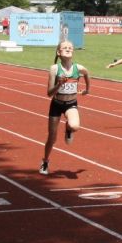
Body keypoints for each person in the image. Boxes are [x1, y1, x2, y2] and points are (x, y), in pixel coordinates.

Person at [41, 40, 90, 175]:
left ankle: (68, 129)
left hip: (71, 103)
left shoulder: (78, 68)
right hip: (56, 105)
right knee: (52, 138)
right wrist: (59, 84)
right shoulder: (54, 69)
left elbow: (86, 74)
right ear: (59, 52)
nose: (68, 49)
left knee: (75, 126)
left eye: (70, 47)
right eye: (65, 48)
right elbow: (49, 93)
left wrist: (87, 89)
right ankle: (45, 161)